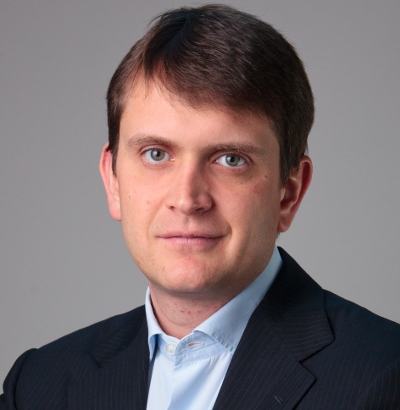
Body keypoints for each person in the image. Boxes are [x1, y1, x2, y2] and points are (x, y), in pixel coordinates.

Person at [1, 4, 399, 409]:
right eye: (156, 154)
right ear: (113, 180)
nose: (187, 199)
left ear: (289, 193)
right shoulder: (37, 385)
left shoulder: (386, 377)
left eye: (231, 159)